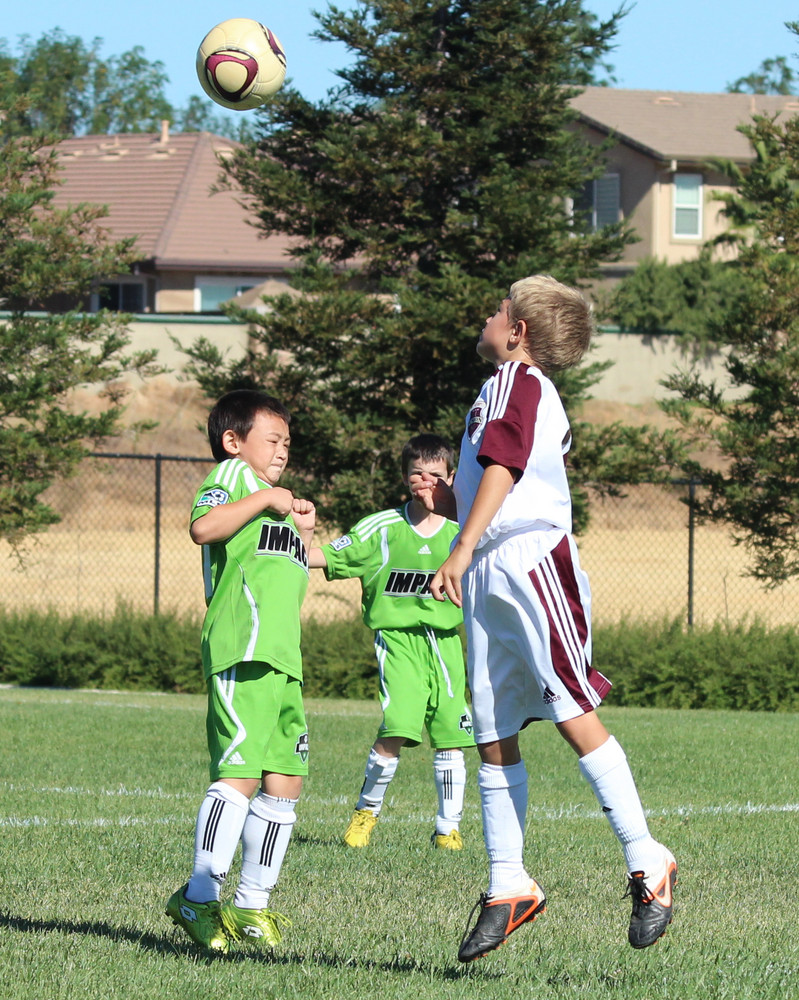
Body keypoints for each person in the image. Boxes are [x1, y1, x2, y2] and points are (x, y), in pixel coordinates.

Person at [411, 276, 677, 962]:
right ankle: (509, 884)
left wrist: (461, 546)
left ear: (519, 330)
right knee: (491, 727)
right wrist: (454, 509)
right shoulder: (500, 387)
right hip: (490, 566)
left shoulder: (518, 379)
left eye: (500, 307)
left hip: (528, 561)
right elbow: (500, 472)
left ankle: (648, 859)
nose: (490, 313)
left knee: (571, 711)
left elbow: (507, 465)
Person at [166, 389, 316, 954]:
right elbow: (204, 528)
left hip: (282, 657)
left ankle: (252, 903)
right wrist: (268, 498)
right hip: (243, 648)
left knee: (285, 778)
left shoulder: (272, 504)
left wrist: (302, 529)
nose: (282, 450)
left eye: (287, 442)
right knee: (241, 775)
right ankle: (199, 896)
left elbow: (289, 573)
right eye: (272, 439)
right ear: (234, 441)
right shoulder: (232, 477)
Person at [308, 434, 475, 850]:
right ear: (404, 477)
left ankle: (447, 828)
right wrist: (284, 544)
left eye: (436, 474)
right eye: (417, 473)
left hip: (446, 642)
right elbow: (328, 555)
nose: (426, 481)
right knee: (397, 726)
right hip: (398, 641)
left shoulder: (464, 531)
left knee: (452, 733)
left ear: (452, 477)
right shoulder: (381, 528)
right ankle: (365, 813)